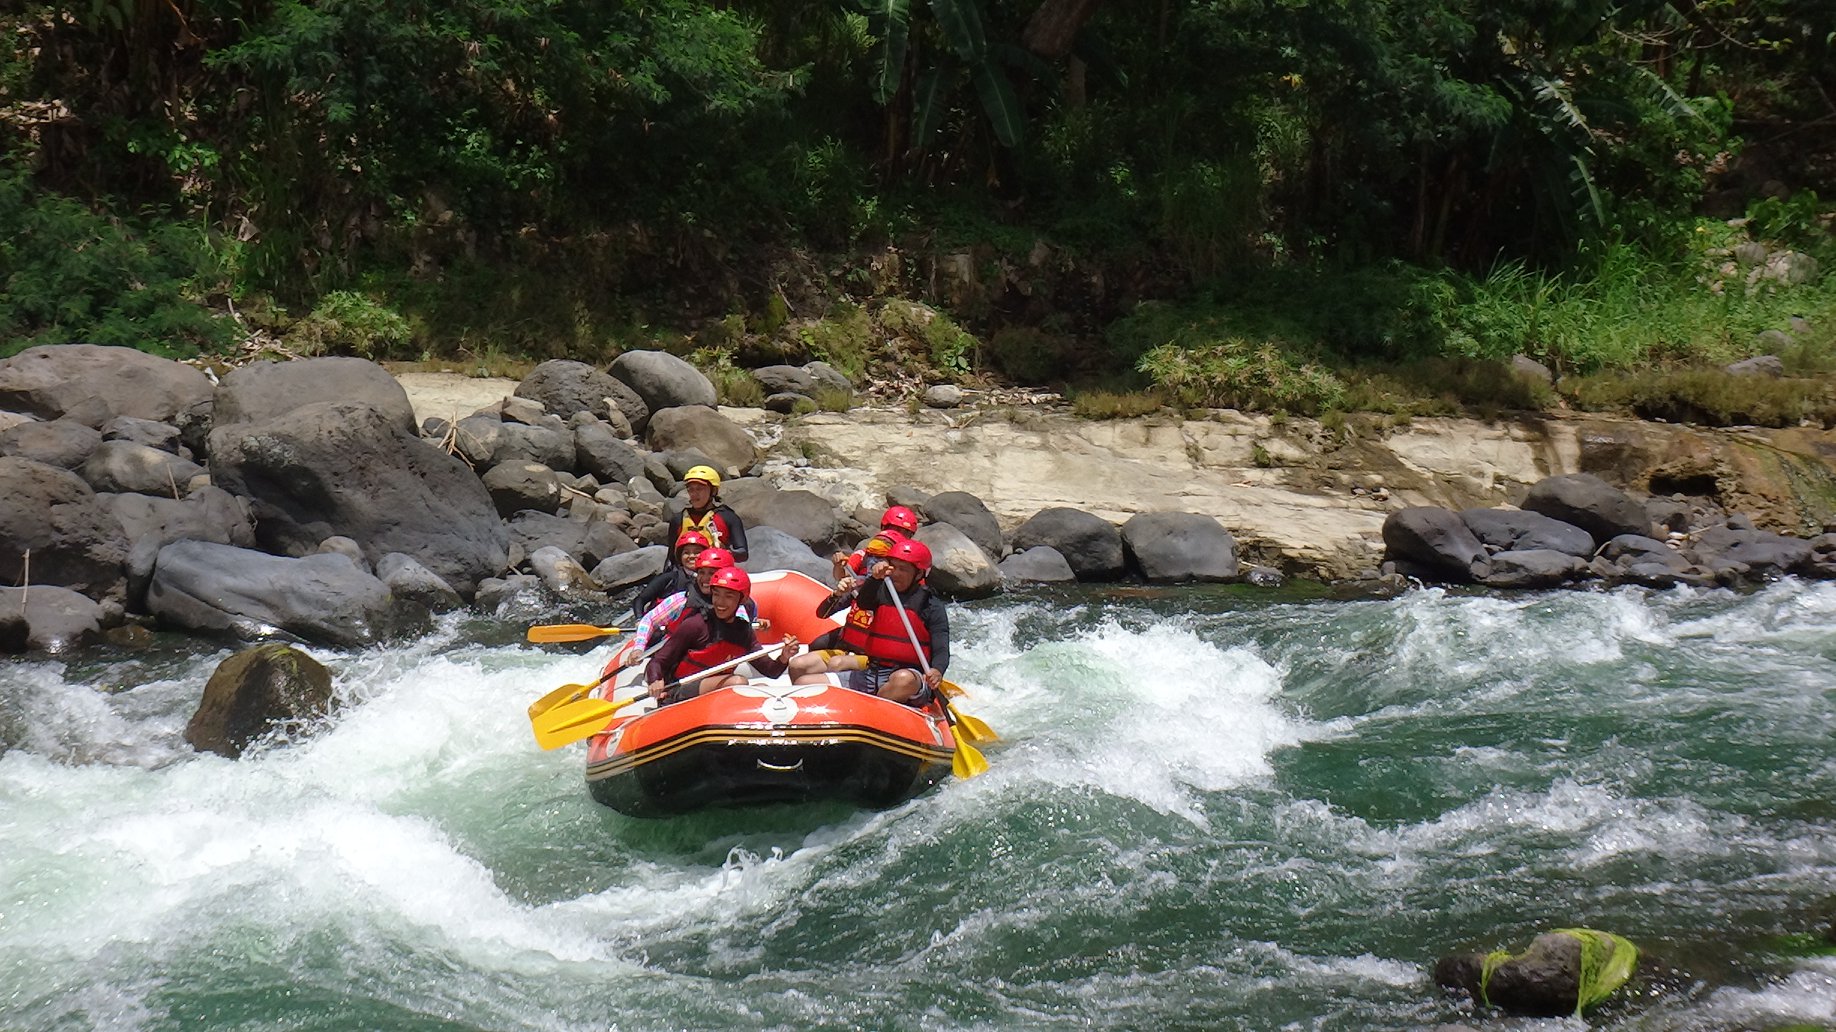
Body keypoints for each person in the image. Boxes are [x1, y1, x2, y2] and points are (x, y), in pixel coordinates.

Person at [793, 538, 947, 706]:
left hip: (909, 676)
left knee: (903, 680)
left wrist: (937, 670)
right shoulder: (880, 591)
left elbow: (941, 647)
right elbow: (863, 602)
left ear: (919, 574)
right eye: (893, 566)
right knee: (804, 684)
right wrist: (875, 578)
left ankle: (872, 708)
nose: (895, 573)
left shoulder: (931, 605)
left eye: (903, 569)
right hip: (872, 671)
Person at [645, 567, 797, 704]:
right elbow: (657, 662)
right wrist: (655, 679)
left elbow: (771, 671)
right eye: (716, 595)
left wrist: (784, 656)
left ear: (742, 599)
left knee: (762, 689)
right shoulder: (696, 624)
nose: (720, 602)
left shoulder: (743, 631)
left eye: (728, 596)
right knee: (737, 682)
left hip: (711, 693)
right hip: (678, 691)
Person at [622, 547, 755, 665]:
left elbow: (743, 635)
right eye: (702, 573)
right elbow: (649, 620)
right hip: (677, 662)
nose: (705, 579)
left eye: (712, 573)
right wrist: (639, 648)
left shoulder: (736, 608)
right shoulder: (681, 600)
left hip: (711, 664)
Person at [674, 465, 748, 562]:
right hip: (686, 573)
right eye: (690, 489)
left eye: (699, 489)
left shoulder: (728, 517)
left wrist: (725, 552)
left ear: (713, 491)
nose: (694, 494)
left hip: (715, 572)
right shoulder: (678, 520)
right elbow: (671, 558)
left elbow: (743, 554)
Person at [828, 505, 919, 581]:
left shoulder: (909, 565)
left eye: (904, 532)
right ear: (883, 529)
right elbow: (841, 577)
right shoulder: (863, 555)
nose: (896, 535)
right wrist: (838, 566)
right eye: (893, 529)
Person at [632, 530, 710, 618]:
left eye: (697, 552)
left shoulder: (711, 580)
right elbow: (640, 599)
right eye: (686, 553)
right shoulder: (669, 578)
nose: (691, 556)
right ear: (680, 556)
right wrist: (639, 619)